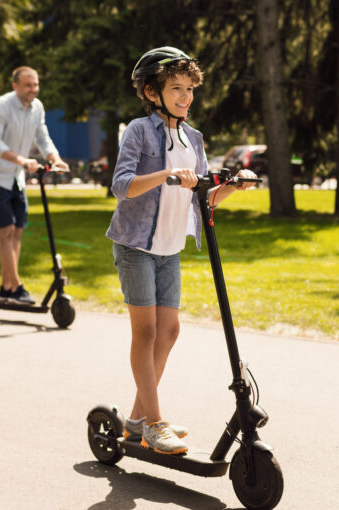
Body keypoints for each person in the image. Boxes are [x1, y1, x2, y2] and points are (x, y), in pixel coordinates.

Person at [106, 47, 257, 455]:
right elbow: (121, 186)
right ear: (153, 92)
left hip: (169, 247)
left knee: (169, 331)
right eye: (176, 88)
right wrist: (167, 174)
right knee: (147, 331)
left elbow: (201, 197)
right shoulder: (138, 131)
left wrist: (233, 186)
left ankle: (137, 420)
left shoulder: (193, 138)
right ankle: (154, 423)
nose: (186, 96)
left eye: (190, 88)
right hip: (135, 244)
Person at [0, 66, 69, 304]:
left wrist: (55, 159)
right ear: (15, 85)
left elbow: (42, 136)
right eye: (28, 85)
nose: (33, 89)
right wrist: (21, 160)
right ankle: (16, 287)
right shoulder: (1, 106)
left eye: (35, 84)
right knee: (6, 230)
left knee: (17, 231)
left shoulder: (37, 107)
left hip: (16, 175)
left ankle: (7, 288)